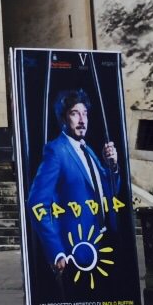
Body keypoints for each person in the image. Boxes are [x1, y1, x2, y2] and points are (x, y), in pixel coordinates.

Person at [27, 89, 119, 275]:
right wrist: (57, 251)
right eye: (75, 113)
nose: (82, 120)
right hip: (75, 251)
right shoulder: (56, 151)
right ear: (63, 118)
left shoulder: (88, 150)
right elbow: (36, 203)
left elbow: (110, 192)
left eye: (84, 113)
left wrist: (112, 167)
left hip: (104, 243)